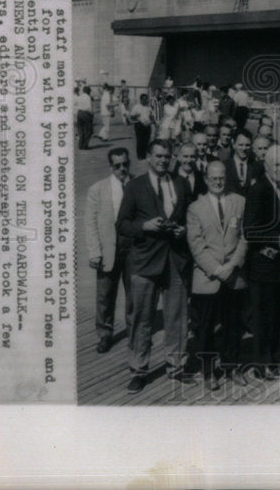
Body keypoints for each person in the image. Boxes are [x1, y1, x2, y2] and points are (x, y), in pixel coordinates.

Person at [115, 139, 193, 393]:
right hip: (144, 261)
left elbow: (189, 217)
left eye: (166, 156)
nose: (162, 160)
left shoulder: (180, 184)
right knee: (141, 318)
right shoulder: (136, 186)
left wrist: (184, 231)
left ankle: (176, 366)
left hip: (175, 259)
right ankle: (139, 369)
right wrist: (144, 226)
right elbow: (122, 224)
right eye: (158, 156)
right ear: (148, 156)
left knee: (177, 317)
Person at [186, 161, 248, 389]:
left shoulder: (239, 202)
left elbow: (245, 236)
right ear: (206, 179)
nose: (218, 182)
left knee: (233, 325)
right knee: (206, 328)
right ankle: (208, 371)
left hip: (234, 275)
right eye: (213, 178)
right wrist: (216, 269)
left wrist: (232, 265)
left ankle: (232, 367)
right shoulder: (195, 208)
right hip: (208, 278)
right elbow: (196, 246)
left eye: (221, 177)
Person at [243, 145, 280, 381]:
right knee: (263, 319)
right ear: (266, 165)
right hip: (263, 267)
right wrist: (278, 241)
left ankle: (272, 361)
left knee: (275, 318)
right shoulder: (259, 189)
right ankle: (261, 364)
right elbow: (250, 231)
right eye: (277, 165)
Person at [84, 147, 134, 354]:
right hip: (108, 249)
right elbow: (90, 223)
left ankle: (134, 332)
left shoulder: (138, 184)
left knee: (134, 293)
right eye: (117, 166)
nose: (122, 169)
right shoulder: (98, 189)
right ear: (110, 166)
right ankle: (105, 333)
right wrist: (94, 251)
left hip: (132, 248)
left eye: (125, 164)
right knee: (105, 295)